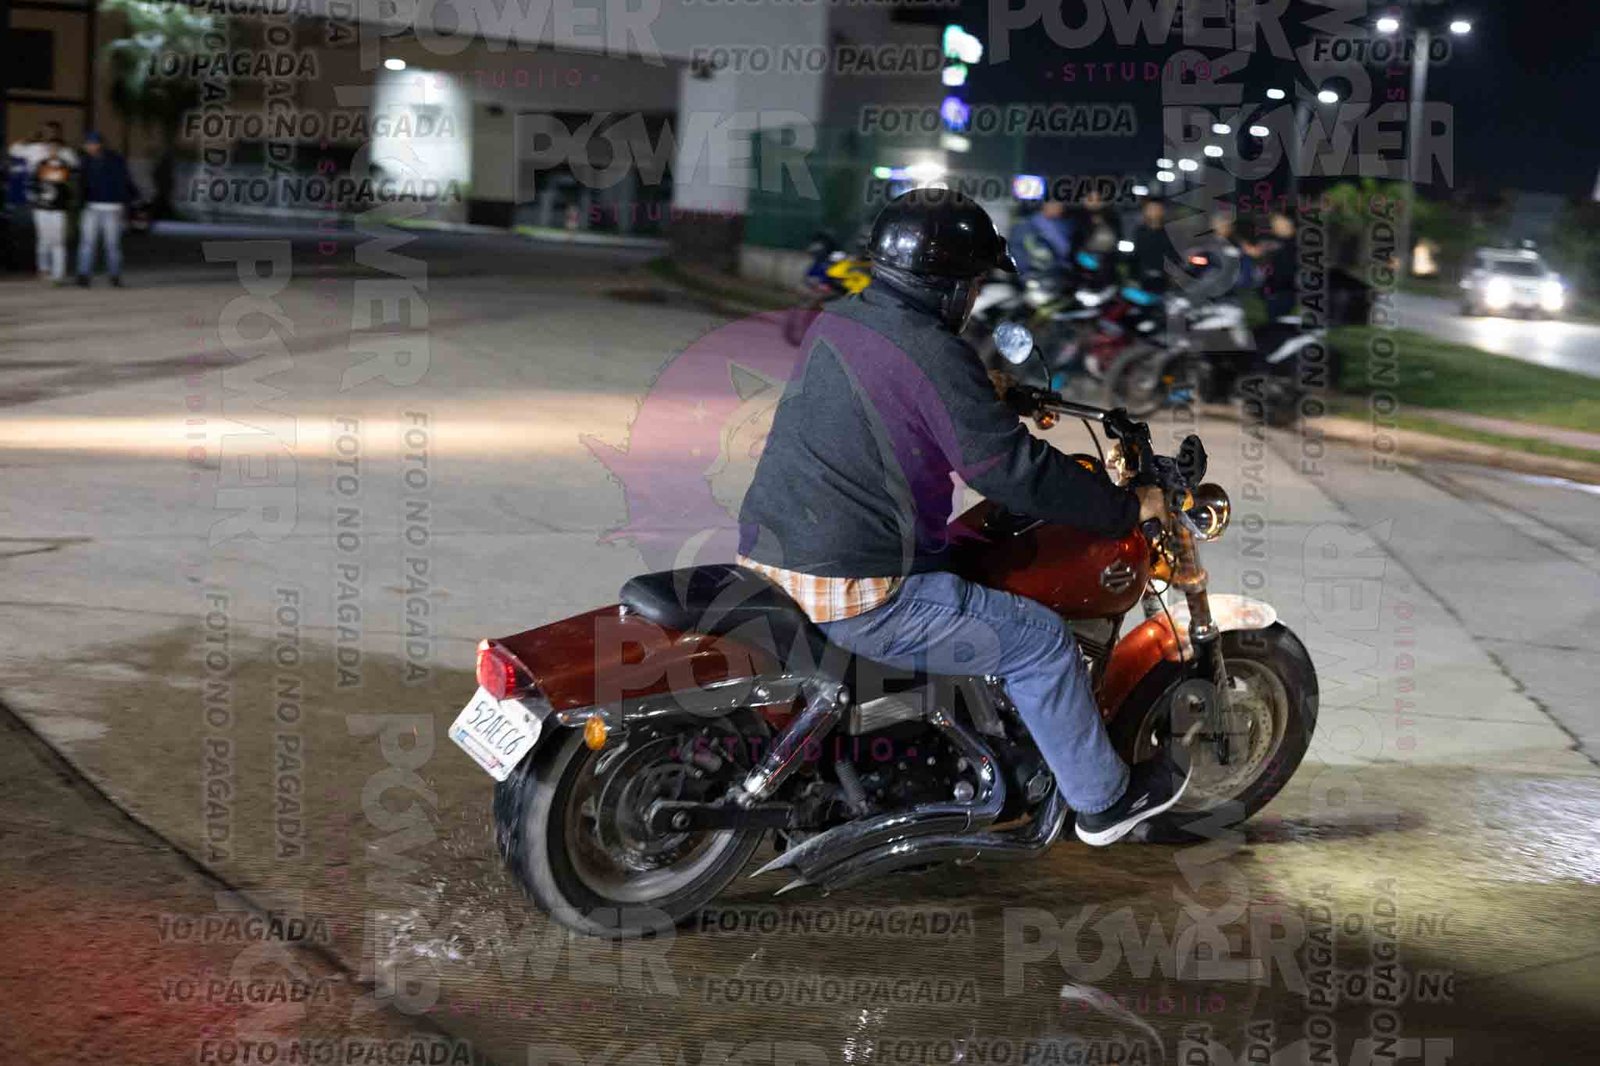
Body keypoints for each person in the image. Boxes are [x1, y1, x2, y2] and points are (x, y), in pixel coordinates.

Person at [736, 188, 1190, 847]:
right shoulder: (934, 352)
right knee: (1041, 643)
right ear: (950, 287)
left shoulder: (844, 320)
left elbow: (893, 400)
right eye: (974, 281)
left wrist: (981, 392)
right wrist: (1126, 504)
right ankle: (1104, 802)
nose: (976, 296)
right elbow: (1009, 472)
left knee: (968, 563)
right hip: (859, 588)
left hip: (776, 551)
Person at [76, 131, 136, 287]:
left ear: (98, 144)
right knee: (88, 243)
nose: (88, 147)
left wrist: (125, 203)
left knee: (111, 244)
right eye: (87, 144)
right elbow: (81, 184)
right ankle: (84, 275)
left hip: (112, 207)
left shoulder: (114, 160)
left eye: (91, 144)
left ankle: (114, 275)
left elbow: (124, 181)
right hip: (91, 206)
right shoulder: (86, 161)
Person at [28, 136, 77, 284]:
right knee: (43, 240)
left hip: (58, 209)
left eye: (56, 148)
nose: (53, 151)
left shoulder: (66, 166)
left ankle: (58, 274)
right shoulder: (40, 165)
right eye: (50, 148)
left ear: (60, 150)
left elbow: (69, 186)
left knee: (58, 241)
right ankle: (43, 269)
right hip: (41, 209)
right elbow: (33, 185)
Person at [1008, 198, 1075, 281]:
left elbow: (1065, 251)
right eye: (1053, 203)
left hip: (1059, 275)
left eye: (1061, 204)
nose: (1059, 207)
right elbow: (1018, 252)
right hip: (1033, 275)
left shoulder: (1067, 226)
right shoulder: (1024, 227)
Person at [1127, 197, 1174, 293]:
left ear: (1163, 211)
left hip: (1164, 279)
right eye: (1150, 209)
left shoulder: (1171, 233)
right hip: (1140, 277)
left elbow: (1174, 257)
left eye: (1157, 209)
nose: (1153, 212)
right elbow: (1133, 255)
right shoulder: (1139, 232)